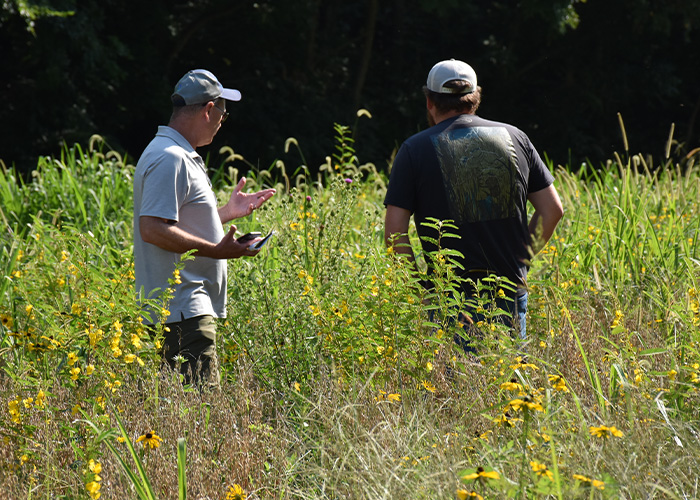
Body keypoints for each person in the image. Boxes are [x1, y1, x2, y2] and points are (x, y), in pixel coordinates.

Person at [384, 59, 563, 351]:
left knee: (454, 391)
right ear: (476, 98)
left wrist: (422, 289)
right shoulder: (516, 137)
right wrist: (521, 261)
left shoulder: (413, 150)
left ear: (430, 102)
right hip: (508, 289)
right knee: (507, 384)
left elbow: (394, 233)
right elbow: (552, 210)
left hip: (448, 297)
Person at [133, 69, 276, 386]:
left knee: (178, 417)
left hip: (180, 312)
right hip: (182, 312)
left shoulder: (175, 154)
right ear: (209, 109)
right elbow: (152, 228)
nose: (224, 119)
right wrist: (217, 250)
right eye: (223, 111)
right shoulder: (169, 158)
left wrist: (225, 213)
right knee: (200, 415)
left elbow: (175, 221)